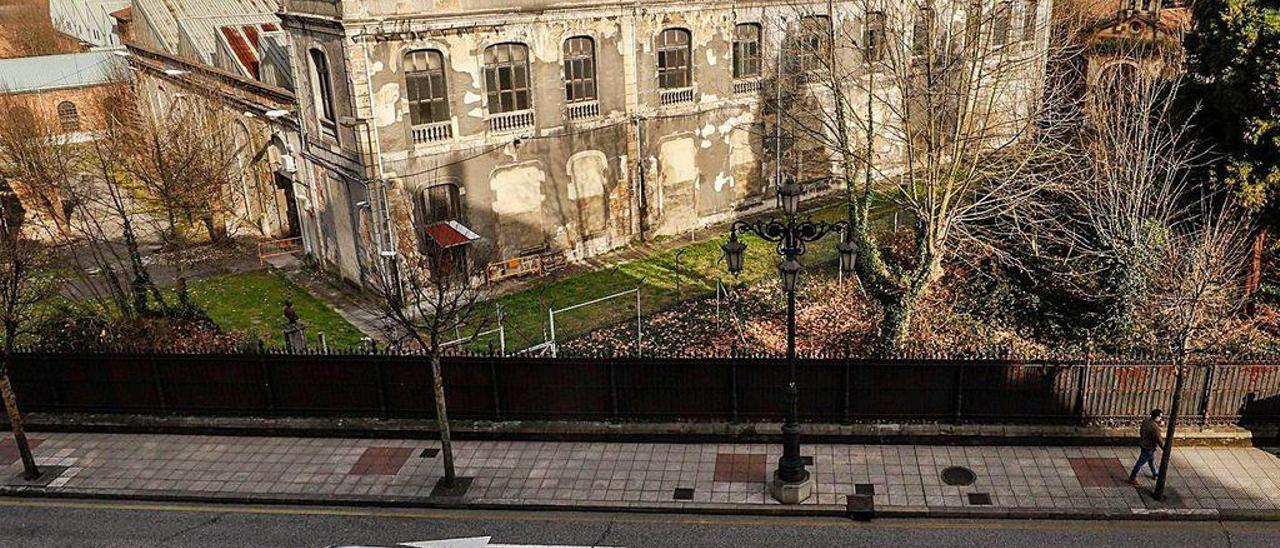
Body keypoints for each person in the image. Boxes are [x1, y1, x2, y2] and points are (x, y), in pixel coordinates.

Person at [1127, 408, 1164, 485]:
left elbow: (1142, 431)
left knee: (1151, 460)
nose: (1161, 418)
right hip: (1149, 447)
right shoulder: (1155, 428)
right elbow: (1159, 439)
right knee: (1140, 463)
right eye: (1160, 417)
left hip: (1144, 444)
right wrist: (1164, 448)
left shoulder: (1146, 421)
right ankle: (1132, 478)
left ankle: (1155, 473)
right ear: (1157, 417)